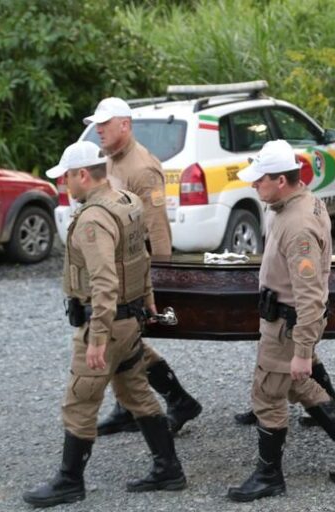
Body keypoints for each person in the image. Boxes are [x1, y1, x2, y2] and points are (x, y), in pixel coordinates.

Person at [23, 141, 186, 507]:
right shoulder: (127, 202)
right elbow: (140, 255)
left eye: (67, 176)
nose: (65, 183)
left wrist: (96, 338)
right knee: (135, 391)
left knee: (80, 401)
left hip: (106, 326)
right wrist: (147, 299)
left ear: (83, 175)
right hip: (129, 321)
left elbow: (104, 282)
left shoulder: (94, 219)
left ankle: (69, 481)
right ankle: (169, 469)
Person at [227, 140, 335, 502]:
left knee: (267, 395)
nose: (253, 185)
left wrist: (303, 350)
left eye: (259, 179)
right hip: (287, 321)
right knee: (296, 385)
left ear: (280, 180)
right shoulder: (301, 201)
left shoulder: (297, 224)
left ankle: (269, 476)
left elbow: (309, 295)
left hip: (288, 324)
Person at [84, 97, 202, 436]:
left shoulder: (142, 168)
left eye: (105, 123)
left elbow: (157, 226)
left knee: (122, 337)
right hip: (113, 266)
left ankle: (176, 399)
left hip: (134, 271)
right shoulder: (105, 160)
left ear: (126, 124)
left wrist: (161, 276)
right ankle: (132, 406)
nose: (99, 129)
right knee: (124, 337)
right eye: (97, 123)